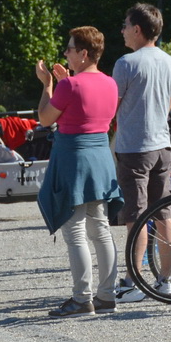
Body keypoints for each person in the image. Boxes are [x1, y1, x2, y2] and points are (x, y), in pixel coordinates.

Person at [36, 25, 120, 316]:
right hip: (100, 156)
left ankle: (82, 298)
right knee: (101, 228)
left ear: (83, 53)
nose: (66, 53)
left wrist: (48, 84)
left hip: (74, 158)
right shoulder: (110, 83)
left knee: (75, 231)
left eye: (70, 49)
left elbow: (46, 119)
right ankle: (107, 296)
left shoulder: (68, 86)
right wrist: (63, 83)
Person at [109, 3, 171, 303]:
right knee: (163, 212)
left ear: (138, 30)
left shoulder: (126, 63)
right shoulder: (168, 60)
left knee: (135, 216)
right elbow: (169, 102)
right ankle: (166, 280)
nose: (122, 30)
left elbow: (112, 106)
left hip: (134, 147)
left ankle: (133, 282)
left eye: (125, 25)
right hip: (162, 145)